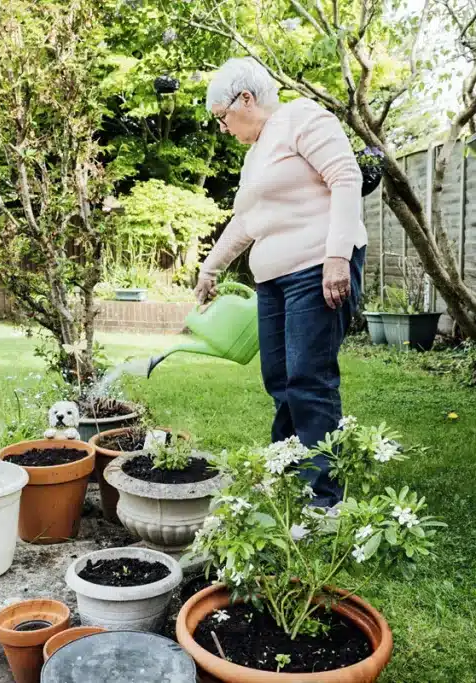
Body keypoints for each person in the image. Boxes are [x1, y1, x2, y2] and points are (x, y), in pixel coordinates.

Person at [195, 58, 367, 507]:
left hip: (316, 268)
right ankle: (288, 472)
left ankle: (325, 500)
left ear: (245, 99)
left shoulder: (301, 118)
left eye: (223, 117)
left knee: (309, 380)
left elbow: (346, 177)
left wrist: (337, 257)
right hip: (273, 282)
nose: (223, 127)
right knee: (280, 379)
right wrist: (209, 268)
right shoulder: (256, 156)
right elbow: (246, 221)